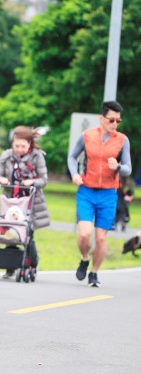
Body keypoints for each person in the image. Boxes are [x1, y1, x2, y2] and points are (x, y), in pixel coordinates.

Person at [67, 101, 131, 287]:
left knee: (101, 238)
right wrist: (74, 174)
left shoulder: (122, 140)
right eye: (111, 120)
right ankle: (84, 258)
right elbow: (72, 157)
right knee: (85, 234)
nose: (115, 124)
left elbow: (128, 168)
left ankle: (94, 273)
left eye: (118, 121)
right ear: (101, 118)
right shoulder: (87, 136)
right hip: (86, 191)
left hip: (109, 194)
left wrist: (118, 167)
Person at [0, 126, 50, 278]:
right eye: (16, 145)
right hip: (11, 202)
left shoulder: (37, 157)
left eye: (23, 146)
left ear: (29, 144)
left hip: (29, 202)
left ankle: (32, 262)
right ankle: (10, 267)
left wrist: (32, 182)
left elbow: (43, 179)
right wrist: (1, 179)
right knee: (11, 233)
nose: (19, 149)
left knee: (26, 235)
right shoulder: (7, 156)